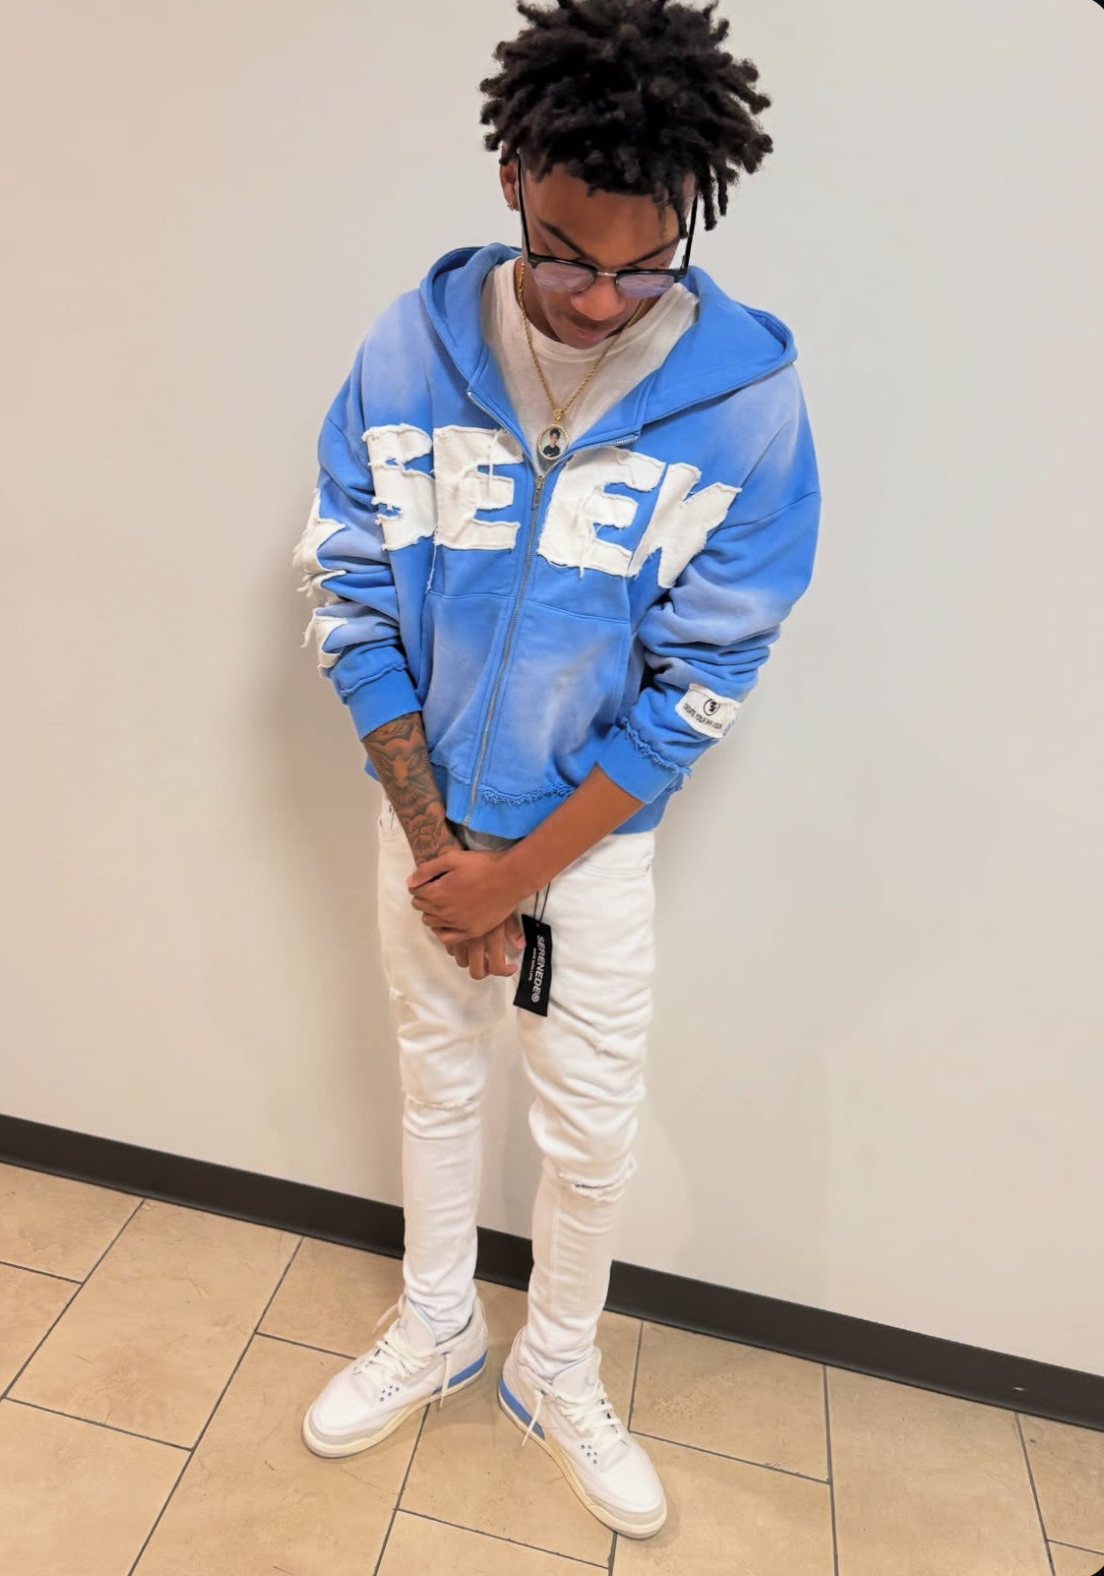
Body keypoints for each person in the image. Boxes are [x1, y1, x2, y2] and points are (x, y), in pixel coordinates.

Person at [292, 0, 820, 1539]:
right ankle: (438, 1323)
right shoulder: (407, 350)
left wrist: (516, 877)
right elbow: (348, 591)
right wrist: (439, 854)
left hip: (588, 844)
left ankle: (558, 1366)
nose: (600, 301)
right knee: (435, 1075)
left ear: (694, 213)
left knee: (589, 1124)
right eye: (566, 255)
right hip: (421, 824)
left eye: (645, 267)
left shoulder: (747, 404)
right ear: (513, 178)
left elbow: (702, 685)